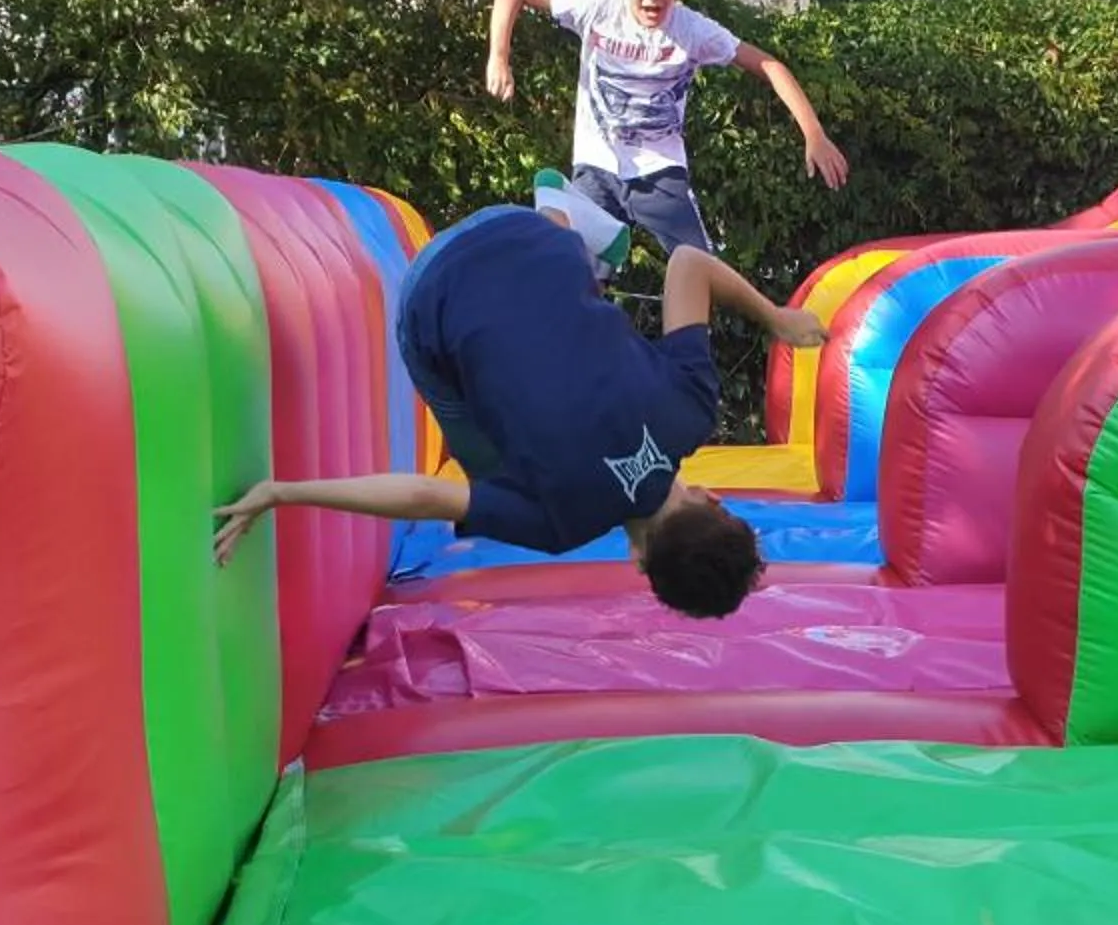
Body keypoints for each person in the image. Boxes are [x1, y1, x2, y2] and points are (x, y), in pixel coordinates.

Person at [213, 204, 826, 619]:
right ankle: (561, 232)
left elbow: (687, 264)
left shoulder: (689, 410)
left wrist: (777, 319)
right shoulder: (556, 524)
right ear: (641, 563)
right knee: (486, 462)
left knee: (577, 322)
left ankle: (562, 213)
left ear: (712, 501)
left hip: (521, 232)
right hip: (431, 288)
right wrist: (282, 492)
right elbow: (425, 497)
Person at [484, 0, 849, 265]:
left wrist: (814, 134)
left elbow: (769, 65)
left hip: (658, 171)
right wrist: (499, 57)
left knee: (700, 266)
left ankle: (693, 328)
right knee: (575, 269)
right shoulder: (597, 10)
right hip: (597, 167)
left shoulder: (692, 29)